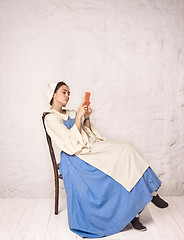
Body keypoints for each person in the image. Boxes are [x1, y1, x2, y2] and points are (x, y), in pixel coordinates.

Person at [44, 81, 168, 239]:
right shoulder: (51, 119)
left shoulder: (72, 112)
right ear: (53, 94)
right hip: (74, 157)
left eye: (69, 92)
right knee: (115, 167)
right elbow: (69, 143)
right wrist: (79, 118)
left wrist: (86, 118)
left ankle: (151, 192)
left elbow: (88, 134)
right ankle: (136, 211)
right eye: (64, 92)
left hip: (89, 149)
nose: (68, 95)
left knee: (127, 149)